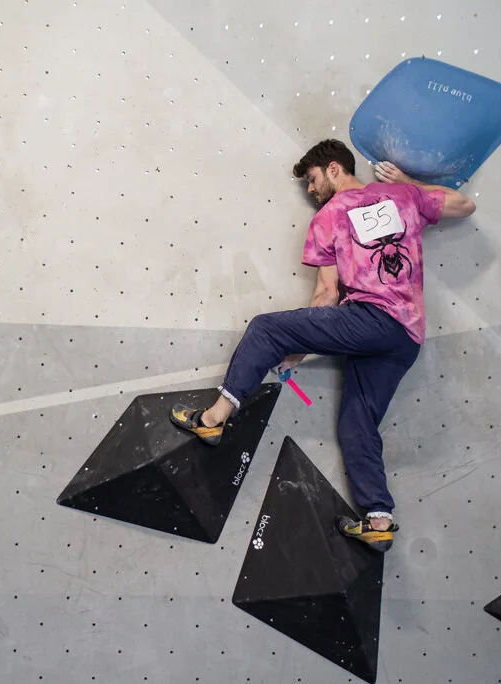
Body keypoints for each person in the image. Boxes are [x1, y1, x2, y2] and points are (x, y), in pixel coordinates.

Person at [169, 139, 477, 553]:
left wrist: (297, 338)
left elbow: (327, 294)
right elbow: (463, 205)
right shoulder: (403, 196)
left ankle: (213, 417)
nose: (311, 192)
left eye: (312, 180)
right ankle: (379, 519)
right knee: (356, 421)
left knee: (264, 329)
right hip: (406, 336)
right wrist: (407, 182)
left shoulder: (329, 216)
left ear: (334, 168)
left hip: (371, 319)